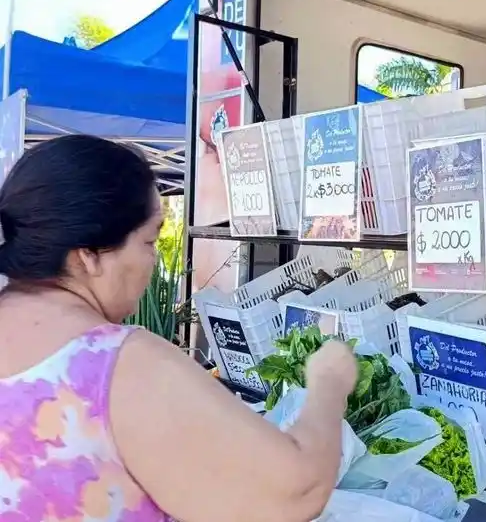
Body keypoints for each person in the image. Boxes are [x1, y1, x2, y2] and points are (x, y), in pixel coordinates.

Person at [0, 135, 357, 522]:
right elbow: (296, 491)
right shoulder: (117, 365)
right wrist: (328, 384)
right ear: (87, 256)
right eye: (149, 241)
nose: (152, 261)